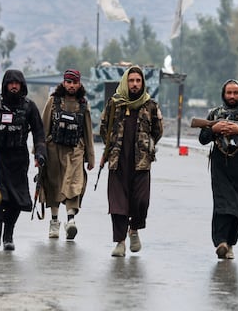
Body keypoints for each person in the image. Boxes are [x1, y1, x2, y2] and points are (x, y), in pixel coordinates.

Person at [99, 66, 163, 257]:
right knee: (117, 204)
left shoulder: (150, 105)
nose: (135, 84)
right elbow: (104, 128)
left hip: (141, 162)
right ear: (126, 82)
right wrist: (112, 148)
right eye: (131, 80)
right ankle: (120, 242)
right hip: (118, 161)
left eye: (138, 81)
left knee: (141, 201)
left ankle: (134, 229)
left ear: (142, 83)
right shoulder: (115, 103)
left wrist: (146, 146)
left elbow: (158, 130)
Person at [0, 70, 46, 251]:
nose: (14, 86)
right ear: (5, 85)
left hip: (19, 159)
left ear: (22, 85)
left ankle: (8, 235)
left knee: (15, 199)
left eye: (17, 83)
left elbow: (39, 134)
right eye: (11, 83)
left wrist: (40, 154)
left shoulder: (29, 107)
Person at [198, 79, 238, 259]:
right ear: (223, 94)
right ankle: (220, 242)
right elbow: (202, 138)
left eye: (235, 93)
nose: (232, 96)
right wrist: (214, 128)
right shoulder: (214, 114)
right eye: (229, 93)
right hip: (221, 165)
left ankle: (230, 243)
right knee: (223, 204)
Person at [41, 69, 95, 240]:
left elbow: (88, 132)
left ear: (79, 84)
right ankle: (54, 222)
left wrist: (91, 158)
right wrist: (39, 153)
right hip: (53, 149)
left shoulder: (84, 105)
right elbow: (44, 127)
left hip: (76, 151)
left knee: (74, 184)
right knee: (54, 184)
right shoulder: (53, 101)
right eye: (69, 82)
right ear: (64, 83)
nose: (71, 86)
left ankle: (70, 221)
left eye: (75, 82)